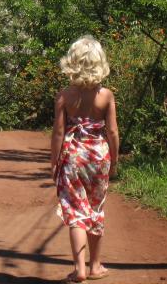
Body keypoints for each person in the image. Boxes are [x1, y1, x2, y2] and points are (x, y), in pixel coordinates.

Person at [50, 36, 119, 282]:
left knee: (76, 212)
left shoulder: (64, 96)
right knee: (96, 209)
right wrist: (115, 159)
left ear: (73, 63)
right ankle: (96, 265)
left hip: (72, 157)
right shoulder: (106, 96)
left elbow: (58, 132)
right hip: (99, 156)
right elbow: (112, 131)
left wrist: (54, 162)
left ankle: (79, 268)